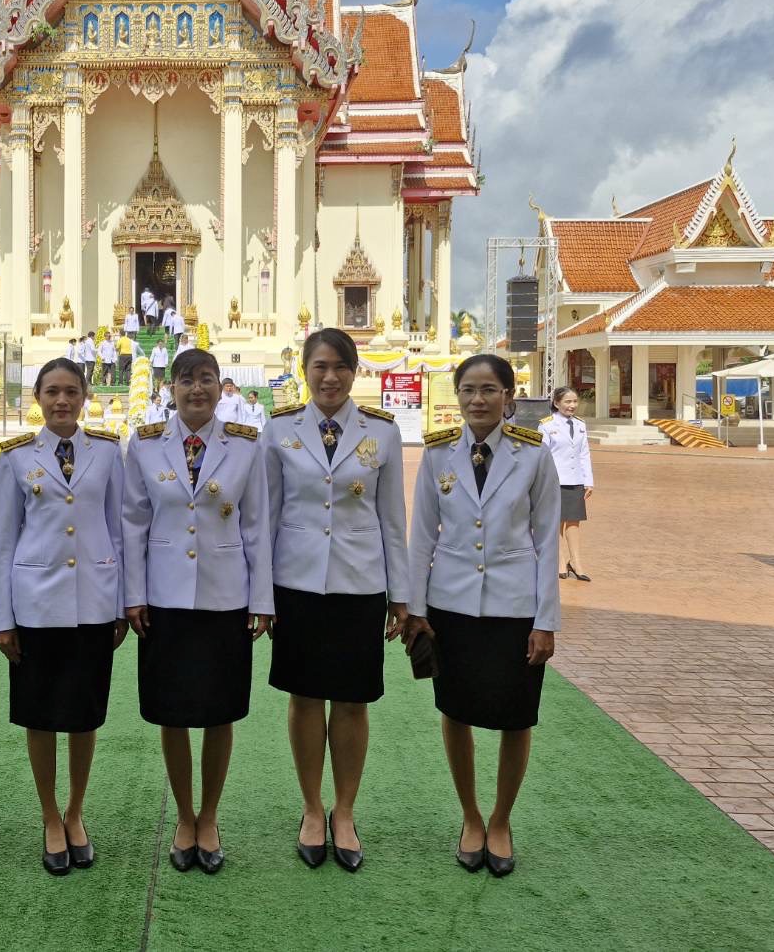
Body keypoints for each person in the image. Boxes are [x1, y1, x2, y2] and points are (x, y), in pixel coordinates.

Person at [398, 353, 559, 878]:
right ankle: (470, 816)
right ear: (457, 396)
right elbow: (421, 537)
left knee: (517, 716)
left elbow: (546, 541)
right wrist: (416, 610)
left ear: (509, 398)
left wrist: (545, 620)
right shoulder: (439, 453)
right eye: (468, 390)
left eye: (489, 390)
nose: (478, 400)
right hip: (453, 605)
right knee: (457, 709)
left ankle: (501, 819)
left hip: (515, 607)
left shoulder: (533, 455)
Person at [122, 349, 272, 875]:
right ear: (171, 387)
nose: (196, 390)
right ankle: (184, 815)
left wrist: (261, 600)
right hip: (163, 601)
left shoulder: (246, 447)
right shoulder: (142, 445)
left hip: (224, 597)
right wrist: (133, 595)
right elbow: (132, 525)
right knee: (172, 712)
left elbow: (256, 526)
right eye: (186, 381)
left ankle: (210, 815)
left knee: (219, 712)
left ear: (219, 385)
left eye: (206, 380)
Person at [264, 329, 408, 873]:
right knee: (304, 699)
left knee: (351, 702)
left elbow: (393, 521)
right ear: (305, 370)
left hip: (359, 584)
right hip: (297, 585)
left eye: (341, 367)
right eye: (320, 366)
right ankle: (310, 807)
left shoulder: (382, 434)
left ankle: (344, 811)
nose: (330, 377)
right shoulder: (279, 431)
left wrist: (402, 598)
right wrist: (264, 597)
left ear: (355, 372)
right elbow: (266, 518)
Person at [0, 359, 128, 876]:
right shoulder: (16, 458)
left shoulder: (109, 454)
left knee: (84, 714)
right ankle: (49, 815)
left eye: (71, 391)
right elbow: (5, 542)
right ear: (38, 397)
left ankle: (76, 811)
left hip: (94, 601)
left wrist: (119, 606)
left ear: (86, 395)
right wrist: (4, 617)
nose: (62, 401)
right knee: (40, 714)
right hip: (36, 604)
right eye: (52, 392)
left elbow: (117, 531)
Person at [540, 387, 594, 582]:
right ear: (556, 403)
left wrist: (588, 480)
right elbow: (542, 456)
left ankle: (576, 561)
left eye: (575, 402)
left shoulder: (580, 425)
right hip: (555, 481)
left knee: (573, 522)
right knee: (556, 523)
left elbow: (584, 453)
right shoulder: (546, 425)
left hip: (575, 479)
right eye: (567, 402)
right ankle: (559, 560)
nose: (572, 406)